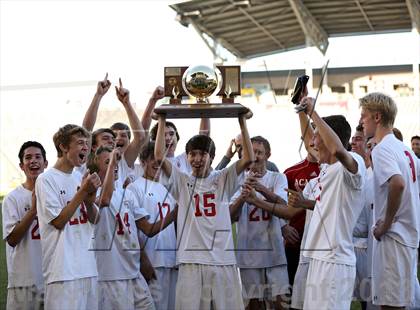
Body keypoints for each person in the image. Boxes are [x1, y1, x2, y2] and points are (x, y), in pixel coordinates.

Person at [154, 113, 254, 310]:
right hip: (190, 259)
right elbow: (159, 156)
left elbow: (248, 157)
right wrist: (161, 119)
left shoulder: (223, 178)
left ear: (212, 157)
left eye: (203, 154)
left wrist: (242, 121)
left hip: (222, 259)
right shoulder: (182, 181)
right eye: (193, 154)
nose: (197, 159)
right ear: (187, 156)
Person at [295, 97, 367, 310]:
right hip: (319, 258)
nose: (312, 142)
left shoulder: (352, 165)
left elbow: (337, 150)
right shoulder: (327, 167)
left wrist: (313, 112)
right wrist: (301, 108)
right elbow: (308, 137)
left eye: (318, 136)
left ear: (329, 138)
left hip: (335, 262)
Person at [88, 146, 176, 310]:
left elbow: (148, 229)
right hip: (112, 275)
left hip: (134, 272)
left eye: (114, 162)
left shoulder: (126, 193)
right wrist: (114, 160)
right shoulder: (92, 194)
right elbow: (105, 200)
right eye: (107, 162)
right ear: (95, 170)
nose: (114, 166)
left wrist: (176, 212)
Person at [359, 92, 420, 309]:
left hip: (394, 237)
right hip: (408, 236)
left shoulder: (382, 148)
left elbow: (398, 183)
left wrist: (385, 223)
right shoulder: (406, 150)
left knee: (390, 306)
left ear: (377, 117)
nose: (360, 121)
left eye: (363, 116)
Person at [35, 124, 101, 309]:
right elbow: (58, 221)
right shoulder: (46, 179)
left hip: (87, 268)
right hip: (62, 271)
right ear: (64, 147)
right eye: (80, 143)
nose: (85, 148)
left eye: (87, 144)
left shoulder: (79, 177)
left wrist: (89, 201)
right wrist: (82, 193)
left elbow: (96, 220)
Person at [229, 136, 289, 309]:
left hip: (274, 251)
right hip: (248, 253)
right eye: (251, 152)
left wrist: (260, 188)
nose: (255, 156)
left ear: (268, 155)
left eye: (259, 152)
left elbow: (284, 206)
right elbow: (231, 216)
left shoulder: (278, 178)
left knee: (280, 303)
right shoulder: (238, 181)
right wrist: (243, 195)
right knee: (253, 305)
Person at [127, 142, 178, 310]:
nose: (157, 163)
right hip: (152, 260)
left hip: (170, 260)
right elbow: (133, 230)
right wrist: (143, 259)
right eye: (153, 159)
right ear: (142, 161)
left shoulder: (166, 189)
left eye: (160, 159)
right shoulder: (135, 188)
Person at [2, 141, 48, 310]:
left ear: (46, 163)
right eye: (28, 158)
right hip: (24, 281)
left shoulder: (53, 195)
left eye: (38, 157)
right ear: (22, 166)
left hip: (52, 278)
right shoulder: (12, 198)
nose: (33, 161)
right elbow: (12, 239)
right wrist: (33, 210)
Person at [82, 75, 146, 184]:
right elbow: (86, 130)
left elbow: (140, 137)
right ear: (93, 147)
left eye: (113, 138)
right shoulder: (85, 163)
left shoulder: (121, 164)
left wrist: (126, 103)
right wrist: (98, 95)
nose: (112, 141)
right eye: (106, 138)